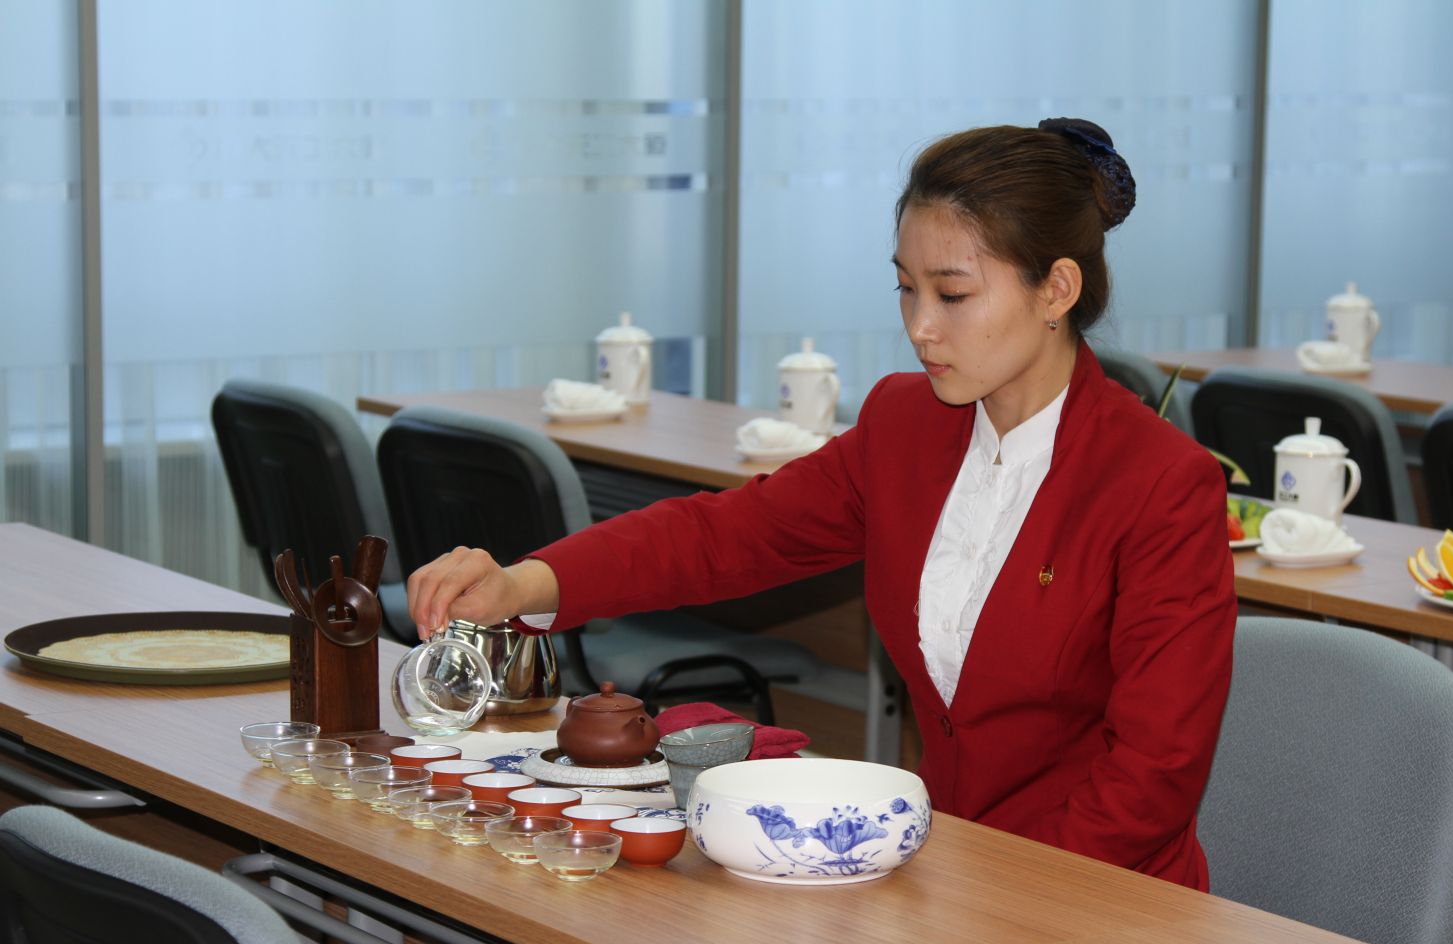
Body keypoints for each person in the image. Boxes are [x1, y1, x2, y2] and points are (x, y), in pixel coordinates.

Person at [407, 119, 1237, 890]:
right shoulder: (907, 423)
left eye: (952, 294)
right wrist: (524, 584)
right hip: (954, 874)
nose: (920, 326)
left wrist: (997, 903)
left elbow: (1152, 776)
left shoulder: (1160, 483)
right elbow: (724, 536)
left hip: (1098, 900)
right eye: (906, 289)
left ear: (1056, 289)